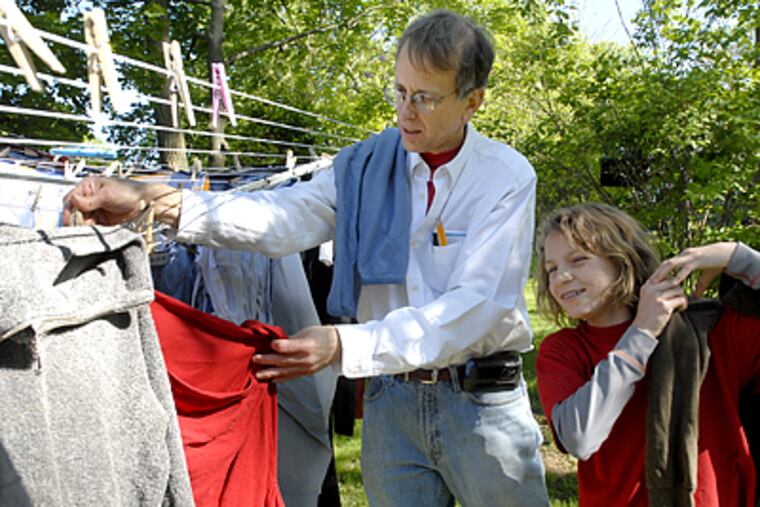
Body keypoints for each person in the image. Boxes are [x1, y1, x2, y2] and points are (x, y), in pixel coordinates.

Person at [64, 9, 549, 506]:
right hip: (390, 405)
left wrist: (343, 344)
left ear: (473, 101)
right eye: (400, 92)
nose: (406, 112)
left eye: (424, 97)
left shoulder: (505, 177)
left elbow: (475, 307)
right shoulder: (365, 167)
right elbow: (281, 216)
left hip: (483, 405)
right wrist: (156, 201)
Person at [534, 202, 760, 506]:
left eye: (578, 259)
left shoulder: (709, 332)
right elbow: (579, 437)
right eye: (552, 269)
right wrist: (641, 333)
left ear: (622, 261)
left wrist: (739, 257)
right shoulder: (562, 350)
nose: (561, 277)